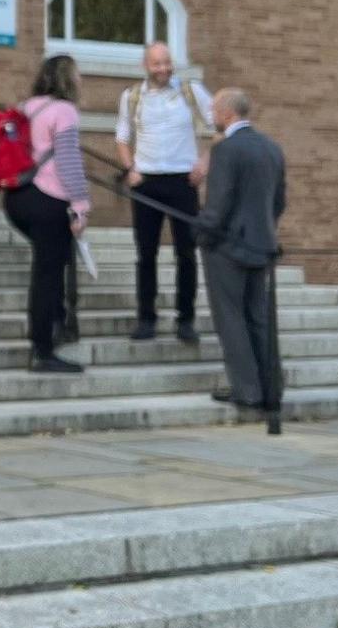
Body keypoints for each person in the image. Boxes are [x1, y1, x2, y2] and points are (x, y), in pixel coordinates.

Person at [195, 86, 289, 410]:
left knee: (231, 318)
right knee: (259, 318)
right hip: (262, 244)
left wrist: (202, 235)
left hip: (227, 247)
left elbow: (218, 206)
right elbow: (279, 202)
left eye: (213, 110)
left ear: (226, 113)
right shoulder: (272, 148)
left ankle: (247, 390)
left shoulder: (226, 150)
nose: (211, 116)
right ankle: (270, 387)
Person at [115, 42, 214, 343]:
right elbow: (121, 137)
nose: (163, 68)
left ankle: (186, 320)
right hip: (146, 181)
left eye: (167, 62)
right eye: (157, 63)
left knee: (186, 253)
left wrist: (205, 162)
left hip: (183, 181)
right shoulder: (132, 97)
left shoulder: (191, 91)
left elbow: (217, 126)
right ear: (146, 65)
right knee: (146, 253)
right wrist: (130, 168)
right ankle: (146, 318)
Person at [3, 55, 92, 374]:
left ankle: (55, 326)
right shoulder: (64, 111)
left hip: (17, 198)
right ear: (68, 78)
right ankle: (43, 349)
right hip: (48, 198)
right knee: (47, 274)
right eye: (78, 74)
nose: (81, 80)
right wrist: (81, 207)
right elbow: (68, 160)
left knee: (50, 265)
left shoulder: (29, 106)